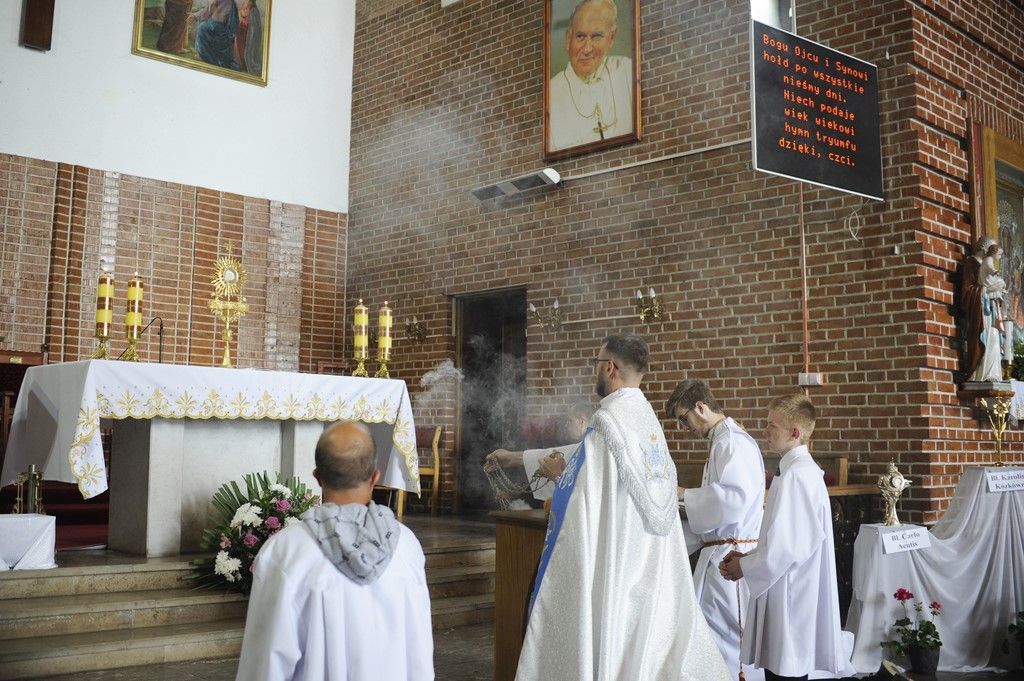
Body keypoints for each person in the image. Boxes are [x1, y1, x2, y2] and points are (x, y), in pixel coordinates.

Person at [516, 334, 729, 681]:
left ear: (610, 368)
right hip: (650, 569)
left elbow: (582, 498)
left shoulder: (607, 423)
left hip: (615, 564)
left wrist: (560, 478)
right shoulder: (647, 422)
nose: (595, 371)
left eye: (597, 363)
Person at [235, 421, 434, 681]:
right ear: (375, 476)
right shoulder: (406, 546)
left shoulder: (285, 551)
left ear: (318, 476)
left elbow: (265, 665)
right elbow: (419, 650)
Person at [719, 395, 843, 681]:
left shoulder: (797, 476)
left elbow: (786, 549)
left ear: (794, 432)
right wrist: (749, 557)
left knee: (785, 672)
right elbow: (785, 539)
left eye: (772, 426)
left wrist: (743, 566)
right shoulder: (797, 471)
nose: (765, 431)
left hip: (790, 595)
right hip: (790, 587)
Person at [667, 379, 765, 681]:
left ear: (700, 407)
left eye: (684, 419)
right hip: (721, 552)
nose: (685, 427)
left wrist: (684, 494)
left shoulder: (731, 441)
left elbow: (734, 500)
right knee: (713, 640)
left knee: (727, 641)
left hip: (730, 557)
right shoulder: (722, 439)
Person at [548, 0, 634, 152]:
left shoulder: (628, 71)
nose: (587, 49)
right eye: (580, 36)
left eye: (596, 36)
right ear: (568, 39)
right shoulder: (551, 93)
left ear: (611, 38)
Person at [483, 401, 594, 503]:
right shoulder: (584, 445)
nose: (566, 425)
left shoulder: (592, 447)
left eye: (569, 421)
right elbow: (557, 454)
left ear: (582, 421)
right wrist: (511, 458)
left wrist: (512, 458)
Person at [963, 235, 1007, 382]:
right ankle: (979, 373)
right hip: (980, 313)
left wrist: (997, 292)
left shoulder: (985, 264)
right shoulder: (971, 263)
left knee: (994, 336)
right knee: (986, 338)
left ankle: (993, 373)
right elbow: (967, 292)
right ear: (984, 248)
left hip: (990, 308)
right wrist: (988, 290)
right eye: (992, 250)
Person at [189, 0, 239, 69]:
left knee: (203, 27)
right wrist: (195, 16)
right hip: (212, 26)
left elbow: (233, 24)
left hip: (222, 30)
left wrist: (231, 34)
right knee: (202, 27)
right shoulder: (215, 1)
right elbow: (206, 11)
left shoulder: (231, 4)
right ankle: (203, 55)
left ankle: (209, 57)